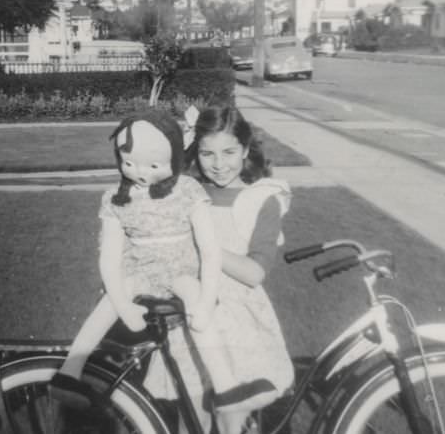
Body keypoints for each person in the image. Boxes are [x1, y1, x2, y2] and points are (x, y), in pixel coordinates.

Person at [53, 110, 272, 415]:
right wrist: (123, 303)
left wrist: (206, 302)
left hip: (184, 275)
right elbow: (109, 259)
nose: (141, 173)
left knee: (195, 304)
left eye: (153, 164)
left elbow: (211, 251)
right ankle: (69, 372)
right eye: (129, 163)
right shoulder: (116, 199)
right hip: (140, 272)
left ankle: (226, 387)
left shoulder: (189, 191)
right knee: (111, 309)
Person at [144, 105, 295, 434]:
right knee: (193, 413)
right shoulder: (190, 195)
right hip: (194, 316)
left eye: (228, 152)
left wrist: (205, 244)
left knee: (235, 419)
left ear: (244, 150)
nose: (219, 163)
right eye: (207, 153)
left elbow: (254, 273)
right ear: (195, 154)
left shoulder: (261, 199)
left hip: (241, 322)